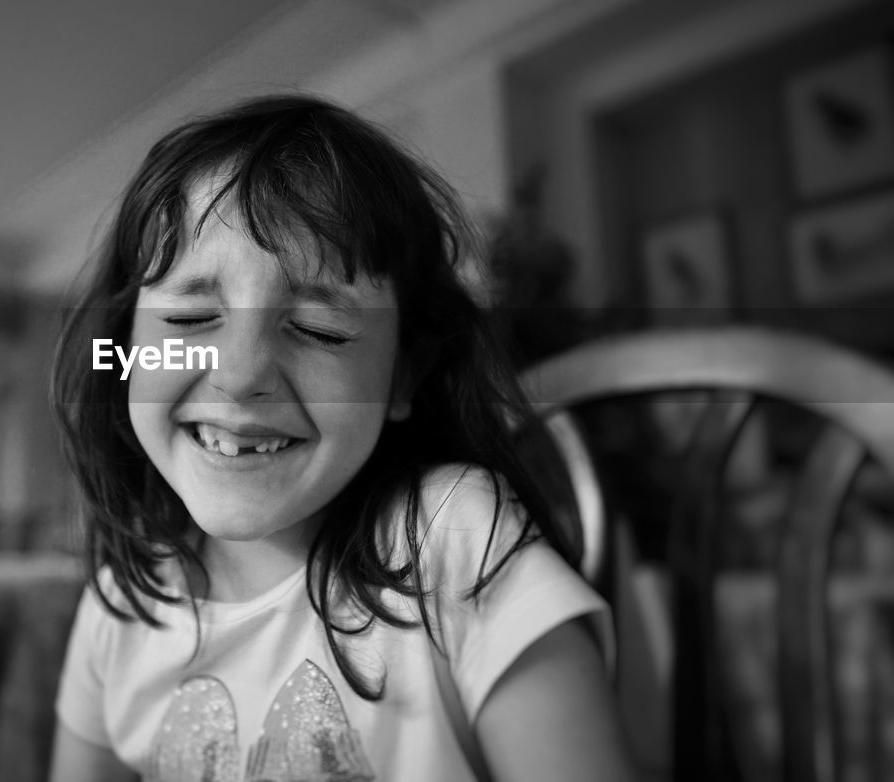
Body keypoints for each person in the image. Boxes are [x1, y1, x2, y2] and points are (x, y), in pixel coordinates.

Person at [48, 94, 633, 781]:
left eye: (320, 330)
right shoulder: (120, 605)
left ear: (401, 376)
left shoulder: (450, 539)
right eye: (190, 318)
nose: (238, 376)